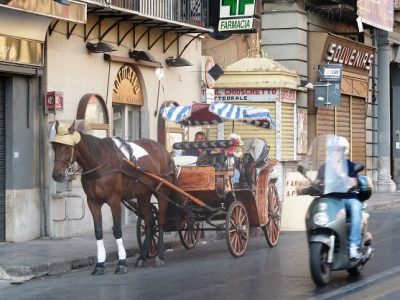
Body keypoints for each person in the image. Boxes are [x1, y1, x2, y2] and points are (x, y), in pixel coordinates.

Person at [315, 135, 362, 260]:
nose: (335, 152)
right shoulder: (324, 167)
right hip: (330, 199)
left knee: (357, 206)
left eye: (338, 149)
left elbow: (354, 182)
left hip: (347, 199)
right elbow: (317, 181)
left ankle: (353, 245)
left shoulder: (350, 165)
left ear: (343, 151)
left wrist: (341, 173)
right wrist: (306, 185)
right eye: (332, 149)